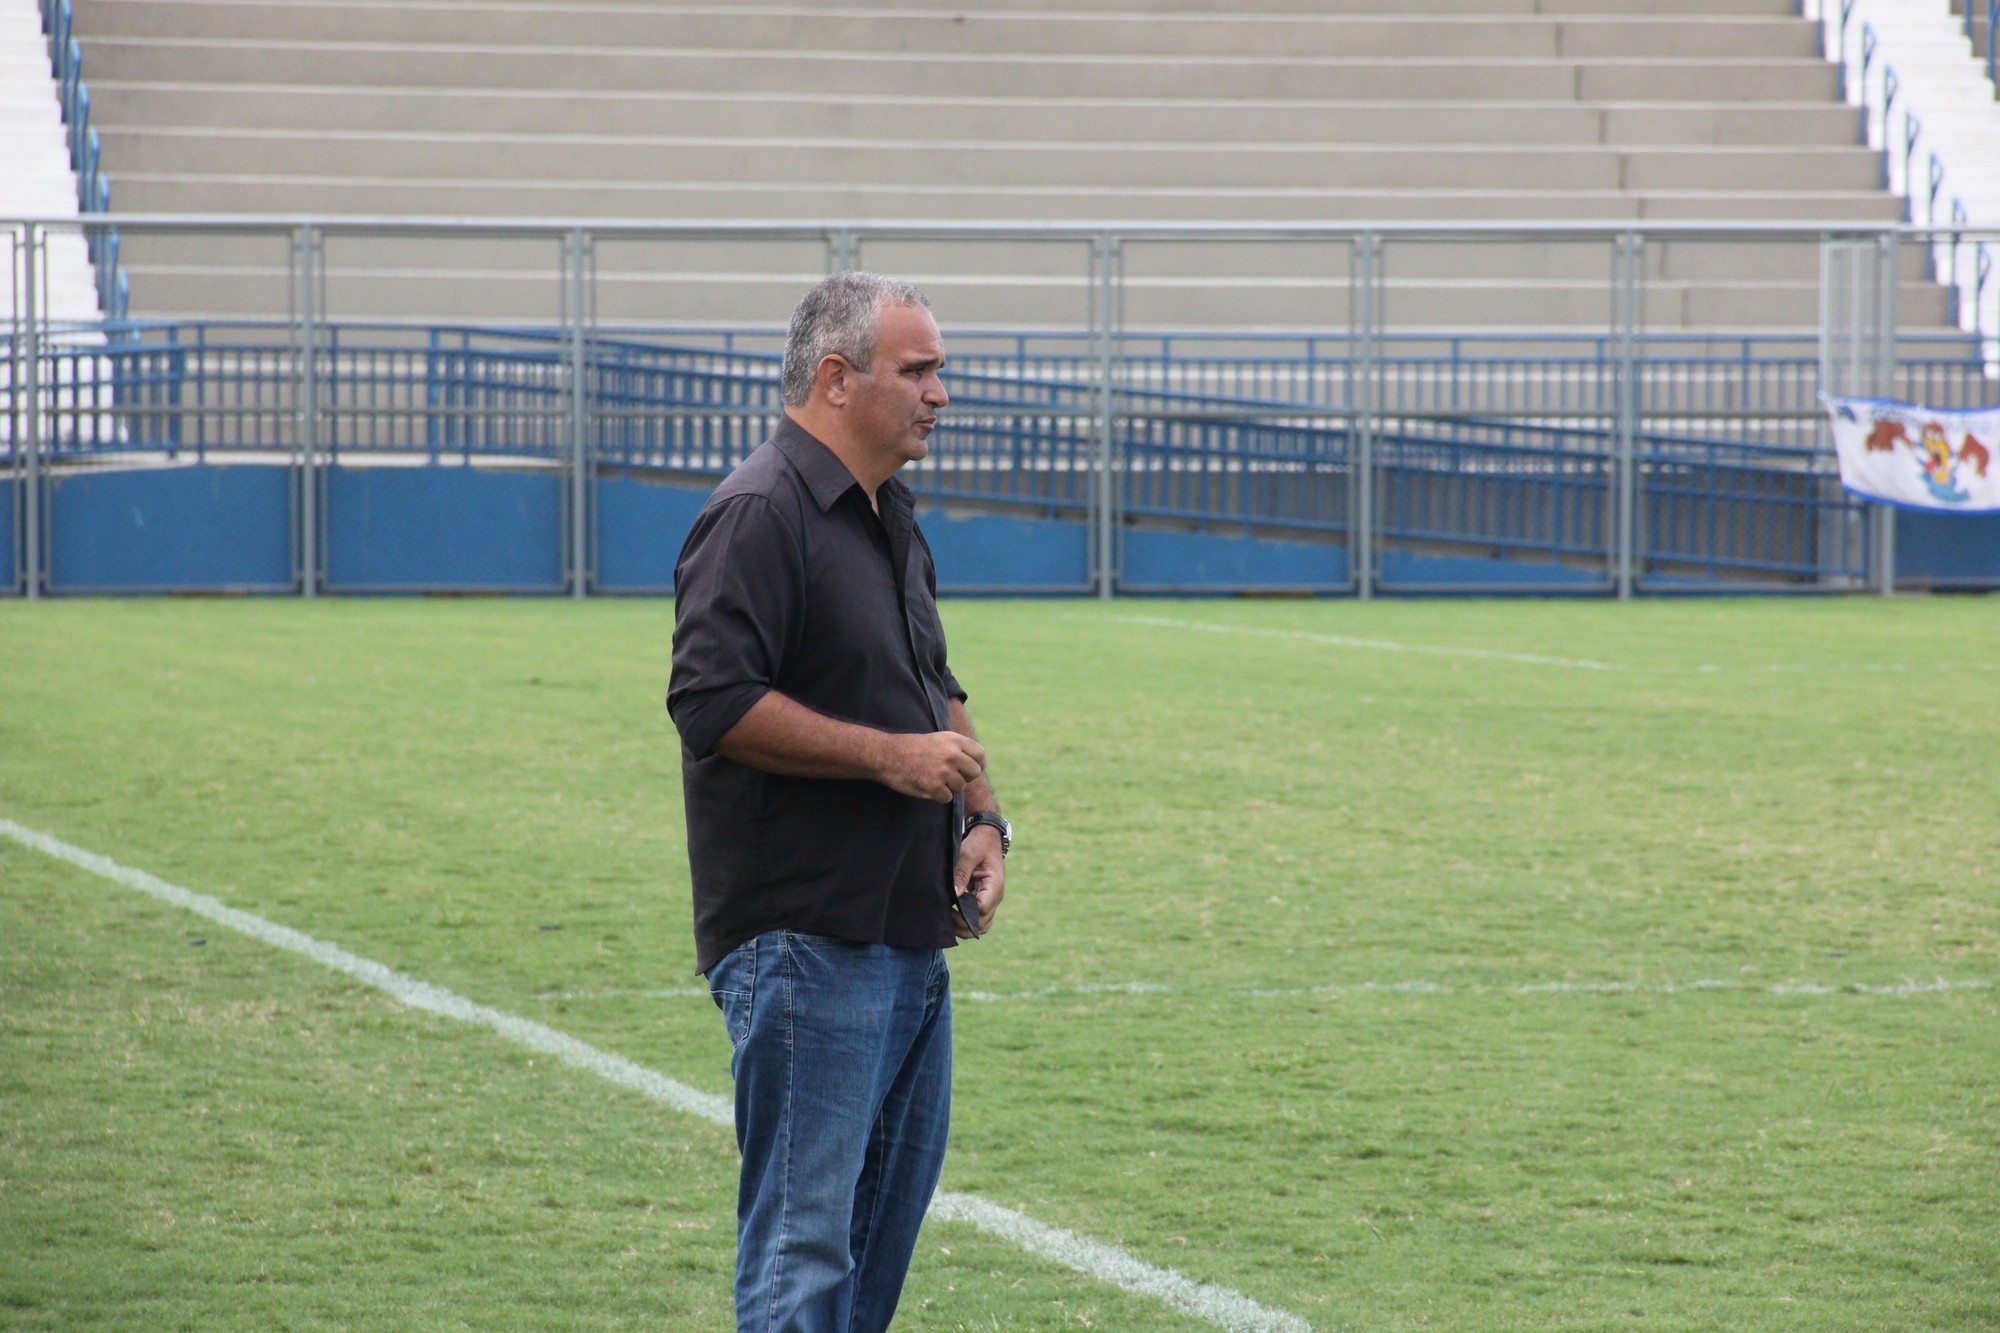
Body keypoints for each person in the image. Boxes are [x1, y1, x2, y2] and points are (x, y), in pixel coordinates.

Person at [666, 271, 1010, 1333]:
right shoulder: (757, 513)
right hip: (807, 937)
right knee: (803, 1248)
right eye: (917, 371)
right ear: (834, 377)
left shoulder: (888, 516)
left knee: (871, 1251)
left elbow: (932, 685)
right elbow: (710, 699)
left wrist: (986, 817)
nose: (939, 394)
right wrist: (885, 760)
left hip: (905, 930)